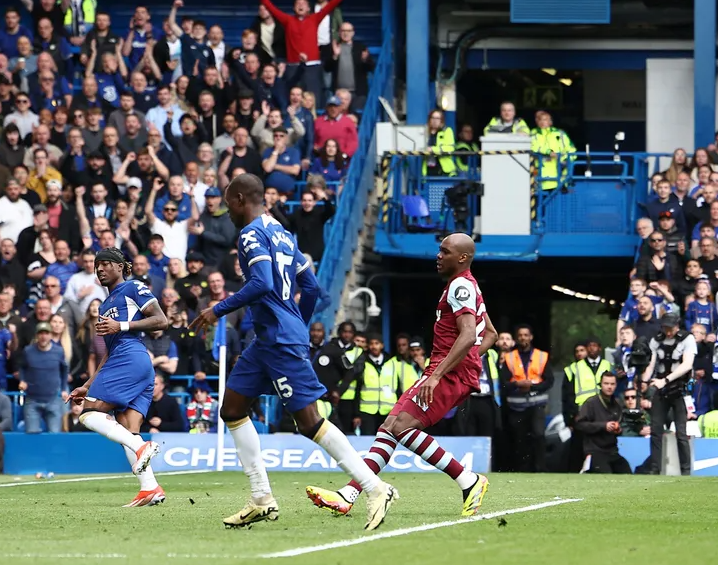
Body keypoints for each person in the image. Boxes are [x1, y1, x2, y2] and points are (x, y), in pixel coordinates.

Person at [190, 173, 396, 530]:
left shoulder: (252, 232)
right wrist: (297, 321)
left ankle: (374, 487)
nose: (228, 212)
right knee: (233, 409)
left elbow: (262, 283)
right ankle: (261, 498)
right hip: (269, 339)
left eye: (228, 204)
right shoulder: (282, 233)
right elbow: (312, 287)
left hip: (279, 340)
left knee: (310, 422)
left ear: (240, 199)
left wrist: (217, 309)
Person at [309, 233, 495, 518]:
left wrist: (439, 375)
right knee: (390, 426)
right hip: (445, 370)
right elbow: (490, 334)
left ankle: (469, 480)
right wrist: (466, 362)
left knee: (401, 427)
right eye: (439, 250)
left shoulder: (460, 285)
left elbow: (469, 335)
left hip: (445, 373)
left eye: (445, 252)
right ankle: (349, 494)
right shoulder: (468, 286)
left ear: (462, 258)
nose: (438, 256)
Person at [70, 246, 169, 508]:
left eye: (105, 264)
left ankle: (141, 449)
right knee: (128, 429)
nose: (99, 269)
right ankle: (150, 488)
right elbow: (109, 350)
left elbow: (161, 320)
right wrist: (87, 384)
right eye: (96, 265)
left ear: (119, 266)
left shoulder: (134, 287)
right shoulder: (105, 303)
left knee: (89, 413)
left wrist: (122, 325)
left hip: (132, 356)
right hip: (124, 359)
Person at [642, 312, 695, 475]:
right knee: (656, 429)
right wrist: (644, 380)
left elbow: (687, 365)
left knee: (681, 432)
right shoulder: (656, 340)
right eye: (665, 327)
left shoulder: (687, 338)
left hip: (678, 389)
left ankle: (685, 470)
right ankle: (655, 468)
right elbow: (651, 365)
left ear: (677, 325)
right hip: (660, 388)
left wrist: (665, 381)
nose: (668, 331)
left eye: (670, 328)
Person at [501, 323, 552, 472]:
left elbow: (549, 380)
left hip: (537, 403)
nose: (523, 338)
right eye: (520, 335)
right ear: (517, 339)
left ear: (531, 337)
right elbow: (503, 383)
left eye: (526, 335)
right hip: (516, 406)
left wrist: (532, 387)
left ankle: (540, 469)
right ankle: (523, 471)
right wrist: (518, 384)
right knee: (520, 440)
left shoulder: (541, 356)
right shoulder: (509, 358)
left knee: (538, 435)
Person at [575, 372, 631, 473]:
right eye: (606, 383)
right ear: (600, 385)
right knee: (605, 475)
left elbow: (622, 423)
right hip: (595, 451)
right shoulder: (591, 403)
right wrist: (603, 426)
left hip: (613, 451)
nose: (609, 387)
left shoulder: (618, 404)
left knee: (627, 472)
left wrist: (618, 429)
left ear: (616, 385)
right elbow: (579, 424)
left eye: (612, 384)